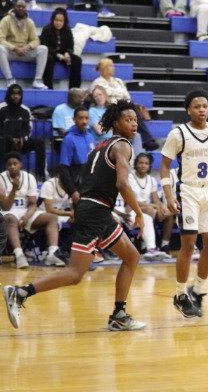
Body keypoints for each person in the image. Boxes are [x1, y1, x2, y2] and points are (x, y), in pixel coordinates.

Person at [3, 100, 147, 331]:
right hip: (95, 212)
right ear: (115, 123)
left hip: (94, 209)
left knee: (131, 256)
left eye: (135, 120)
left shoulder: (99, 146)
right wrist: (138, 212)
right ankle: (20, 293)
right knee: (75, 273)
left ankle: (119, 315)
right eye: (128, 120)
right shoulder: (123, 146)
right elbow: (122, 183)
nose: (133, 124)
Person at [160, 88, 208, 318]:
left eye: (205, 106)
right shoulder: (178, 134)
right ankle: (180, 294)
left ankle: (199, 289)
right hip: (188, 192)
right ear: (188, 110)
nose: (202, 110)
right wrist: (169, 195)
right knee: (189, 243)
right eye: (197, 107)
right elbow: (164, 166)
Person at [0, 151, 63, 269]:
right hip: (10, 211)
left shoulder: (29, 178)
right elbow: (5, 207)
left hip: (26, 211)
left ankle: (53, 253)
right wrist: (14, 188)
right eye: (9, 164)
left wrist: (27, 217)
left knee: (52, 218)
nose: (12, 166)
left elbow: (33, 204)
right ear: (6, 166)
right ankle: (19, 255)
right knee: (9, 218)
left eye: (15, 163)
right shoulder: (1, 179)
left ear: (20, 164)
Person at [128, 152, 172, 260]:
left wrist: (162, 207)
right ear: (136, 164)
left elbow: (156, 201)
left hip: (149, 209)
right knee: (148, 212)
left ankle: (164, 245)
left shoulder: (151, 179)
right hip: (133, 210)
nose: (143, 165)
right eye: (141, 163)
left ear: (149, 166)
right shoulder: (129, 178)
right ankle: (147, 246)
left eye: (146, 163)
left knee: (169, 214)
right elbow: (130, 201)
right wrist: (151, 206)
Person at [0, 84, 46, 180]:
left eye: (18, 94)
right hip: (5, 142)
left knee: (40, 142)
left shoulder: (25, 110)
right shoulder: (1, 108)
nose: (16, 96)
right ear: (9, 95)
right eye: (13, 94)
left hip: (21, 143)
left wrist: (22, 138)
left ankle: (41, 175)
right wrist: (10, 138)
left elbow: (28, 128)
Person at [0, 0, 48, 89]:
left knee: (43, 49)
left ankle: (37, 80)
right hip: (11, 51)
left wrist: (27, 47)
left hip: (25, 52)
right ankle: (9, 79)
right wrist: (14, 48)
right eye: (18, 6)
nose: (21, 8)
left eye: (23, 7)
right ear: (14, 7)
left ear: (26, 8)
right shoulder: (6, 20)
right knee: (0, 48)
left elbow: (36, 40)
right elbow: (1, 39)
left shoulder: (30, 22)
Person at [58, 107, 96, 205]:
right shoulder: (69, 139)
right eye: (81, 118)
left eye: (86, 118)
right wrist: (72, 191)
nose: (84, 121)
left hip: (91, 185)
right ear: (74, 119)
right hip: (78, 185)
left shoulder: (90, 137)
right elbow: (63, 167)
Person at [39, 7, 83, 90]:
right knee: (48, 59)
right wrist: (58, 55)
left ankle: (74, 89)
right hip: (51, 54)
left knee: (77, 60)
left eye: (61, 21)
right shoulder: (46, 29)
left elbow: (70, 46)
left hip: (63, 54)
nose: (58, 23)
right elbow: (45, 46)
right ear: (53, 20)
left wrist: (67, 53)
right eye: (56, 20)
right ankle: (49, 88)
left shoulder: (67, 30)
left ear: (64, 21)